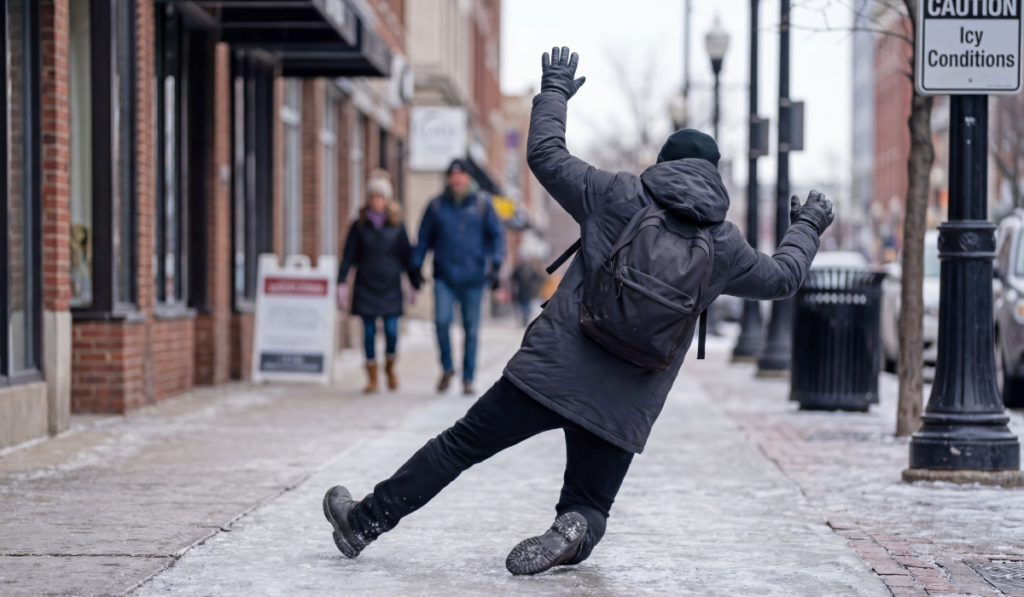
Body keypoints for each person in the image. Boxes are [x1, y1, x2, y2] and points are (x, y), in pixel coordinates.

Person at [324, 47, 833, 575]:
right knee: (591, 503)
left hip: (551, 371)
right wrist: (808, 226)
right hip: (626, 400)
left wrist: (555, 91)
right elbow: (782, 278)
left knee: (458, 446)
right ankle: (571, 529)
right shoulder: (725, 246)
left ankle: (364, 521)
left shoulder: (617, 193)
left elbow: (544, 153)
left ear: (664, 162)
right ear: (713, 176)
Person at [411, 158, 505, 395]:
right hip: (444, 276)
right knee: (442, 322)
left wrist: (495, 265)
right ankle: (447, 367)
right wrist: (415, 266)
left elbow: (497, 237)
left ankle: (468, 378)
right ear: (447, 178)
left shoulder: (483, 204)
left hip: (474, 279)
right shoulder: (436, 206)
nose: (457, 179)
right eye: (453, 175)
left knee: (471, 330)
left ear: (469, 178)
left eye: (461, 175)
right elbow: (423, 240)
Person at [337, 170, 422, 393]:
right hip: (366, 284)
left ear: (387, 200)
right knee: (368, 333)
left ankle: (390, 367)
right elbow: (348, 256)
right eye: (373, 197)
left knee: (392, 331)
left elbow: (407, 256)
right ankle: (372, 377)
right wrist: (341, 282)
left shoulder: (397, 225)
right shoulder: (359, 225)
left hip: (390, 285)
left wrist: (414, 282)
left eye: (381, 197)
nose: (377, 201)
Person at [511, 257, 544, 327]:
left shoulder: (530, 270)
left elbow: (540, 279)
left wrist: (535, 286)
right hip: (522, 291)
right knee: (523, 306)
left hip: (527, 291)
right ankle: (524, 318)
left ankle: (525, 319)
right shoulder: (519, 269)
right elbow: (513, 278)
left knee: (526, 306)